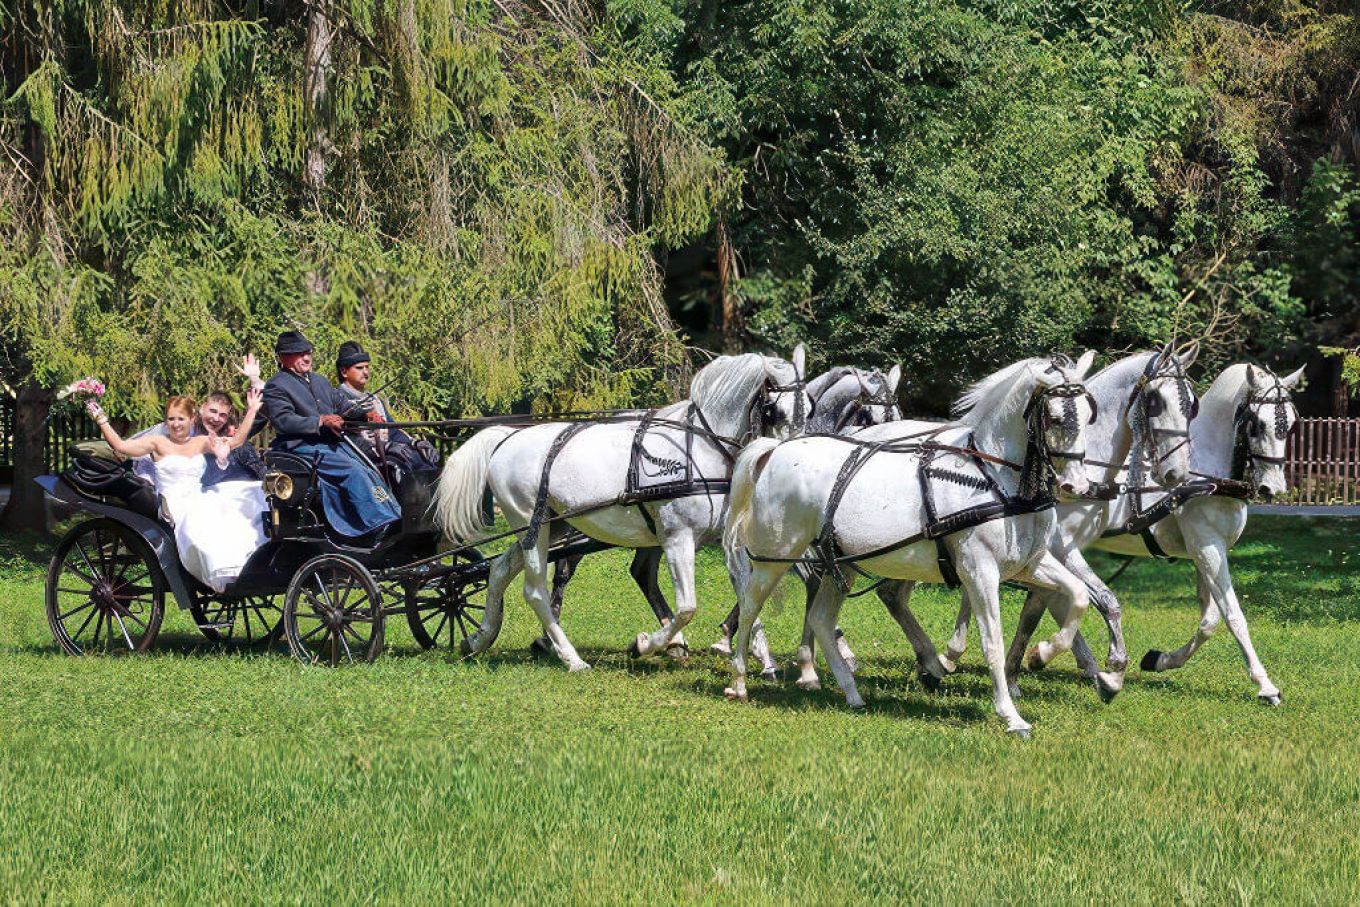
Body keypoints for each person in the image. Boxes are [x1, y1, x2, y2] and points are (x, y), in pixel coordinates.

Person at [88, 389, 269, 593]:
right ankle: (215, 573)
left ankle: (241, 571)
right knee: (199, 523)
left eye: (181, 419)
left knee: (238, 507)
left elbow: (235, 441)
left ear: (192, 419)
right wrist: (100, 418)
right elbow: (121, 446)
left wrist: (252, 410)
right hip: (173, 504)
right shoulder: (157, 443)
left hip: (199, 497)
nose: (176, 424)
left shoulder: (200, 442)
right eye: (171, 419)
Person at [262, 330, 401, 539]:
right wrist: (320, 421)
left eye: (307, 352)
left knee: (368, 467)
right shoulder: (276, 385)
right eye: (299, 353)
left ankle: (391, 516)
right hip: (301, 447)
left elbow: (342, 406)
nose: (306, 357)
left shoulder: (320, 381)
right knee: (352, 469)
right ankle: (376, 525)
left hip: (330, 444)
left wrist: (365, 415)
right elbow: (284, 421)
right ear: (283, 357)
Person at [130, 355, 265, 482]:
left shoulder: (225, 435)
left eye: (222, 415)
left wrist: (255, 380)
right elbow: (136, 451)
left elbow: (255, 415)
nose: (216, 418)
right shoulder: (177, 428)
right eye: (213, 411)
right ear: (201, 409)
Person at [334, 340, 440, 476]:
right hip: (360, 464)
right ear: (344, 371)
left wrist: (414, 443)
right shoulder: (336, 399)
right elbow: (345, 438)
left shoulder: (376, 401)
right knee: (401, 467)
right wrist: (385, 447)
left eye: (367, 367)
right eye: (359, 368)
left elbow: (393, 430)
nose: (365, 372)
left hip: (384, 455)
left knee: (423, 459)